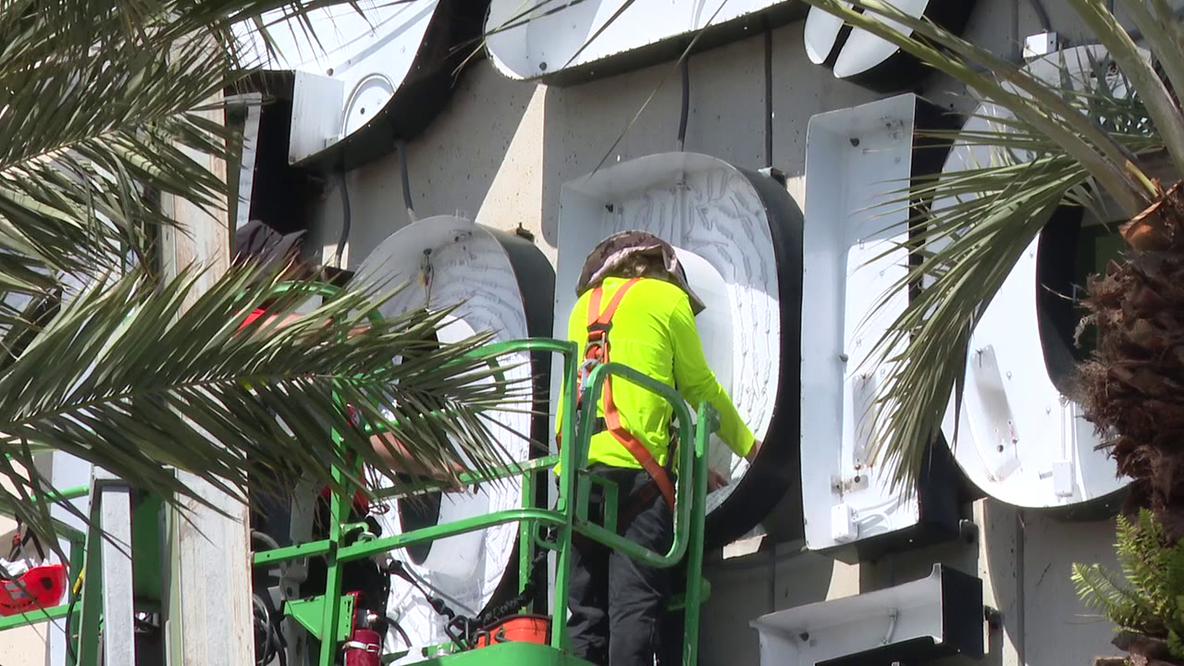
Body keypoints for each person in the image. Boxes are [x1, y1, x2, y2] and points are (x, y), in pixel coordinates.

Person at [556, 230, 762, 666]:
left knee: (584, 612)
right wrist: (748, 446)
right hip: (637, 479)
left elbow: (603, 393)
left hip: (576, 477)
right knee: (634, 608)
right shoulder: (668, 302)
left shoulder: (581, 310)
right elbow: (697, 386)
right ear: (659, 271)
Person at [232, 219, 460, 481]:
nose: (298, 265)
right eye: (286, 261)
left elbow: (364, 435)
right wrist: (372, 337)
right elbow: (303, 331)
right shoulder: (245, 322)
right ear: (257, 277)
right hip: (320, 501)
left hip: (345, 501)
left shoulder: (288, 351)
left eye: (292, 256)